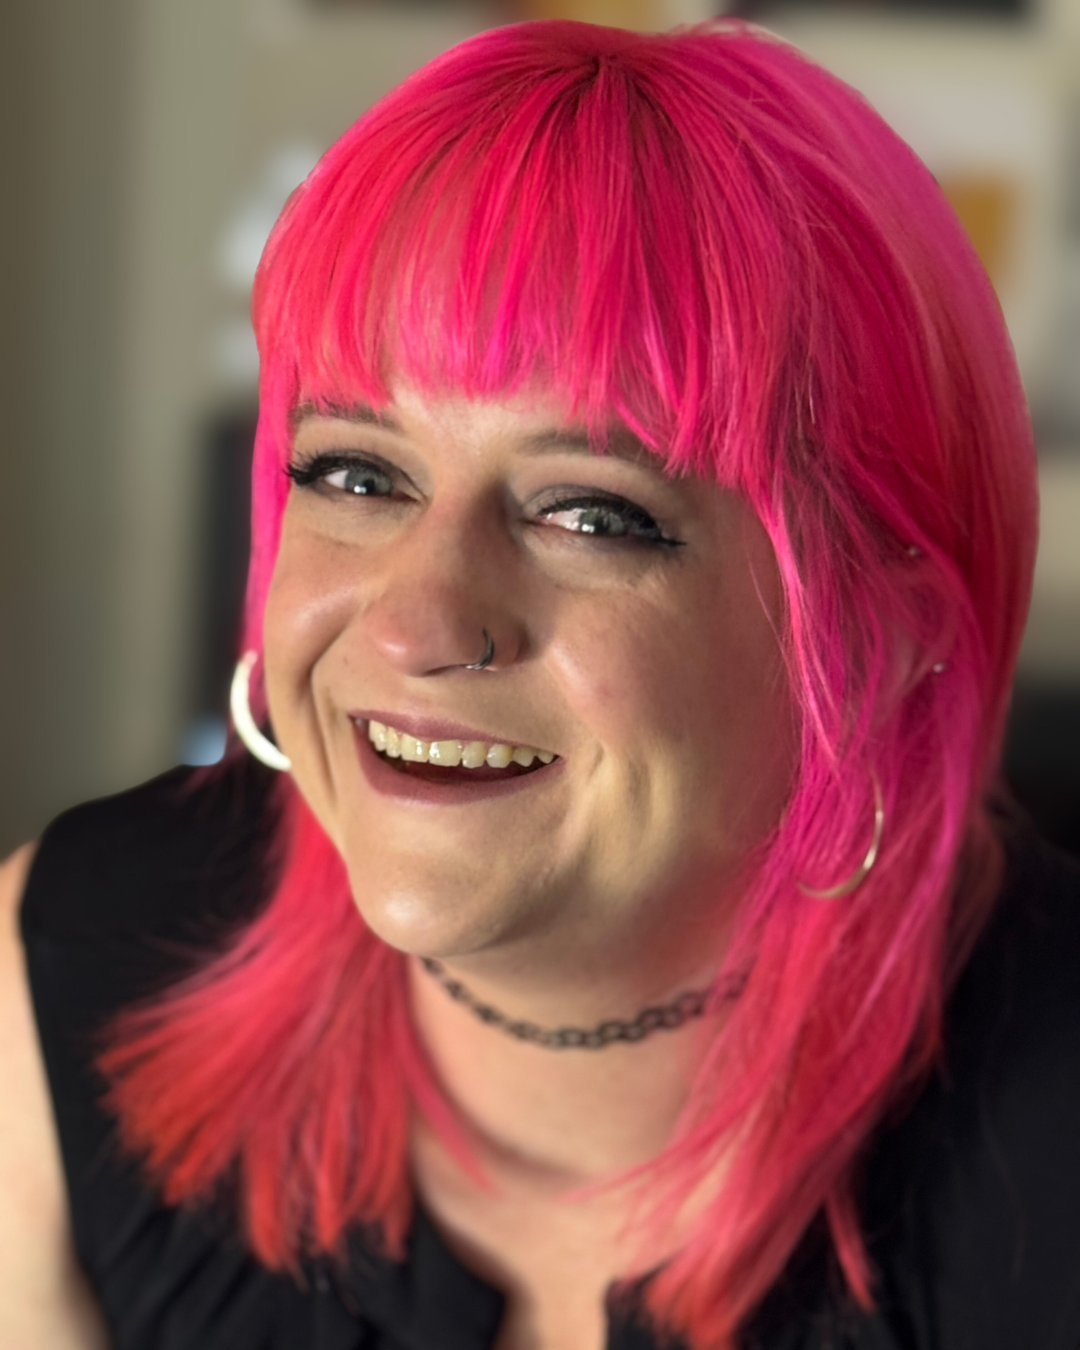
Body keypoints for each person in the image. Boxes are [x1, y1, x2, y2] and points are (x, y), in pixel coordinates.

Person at [2, 18, 1078, 1350]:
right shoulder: (55, 973)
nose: (415, 621)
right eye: (356, 472)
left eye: (592, 512)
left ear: (876, 639)